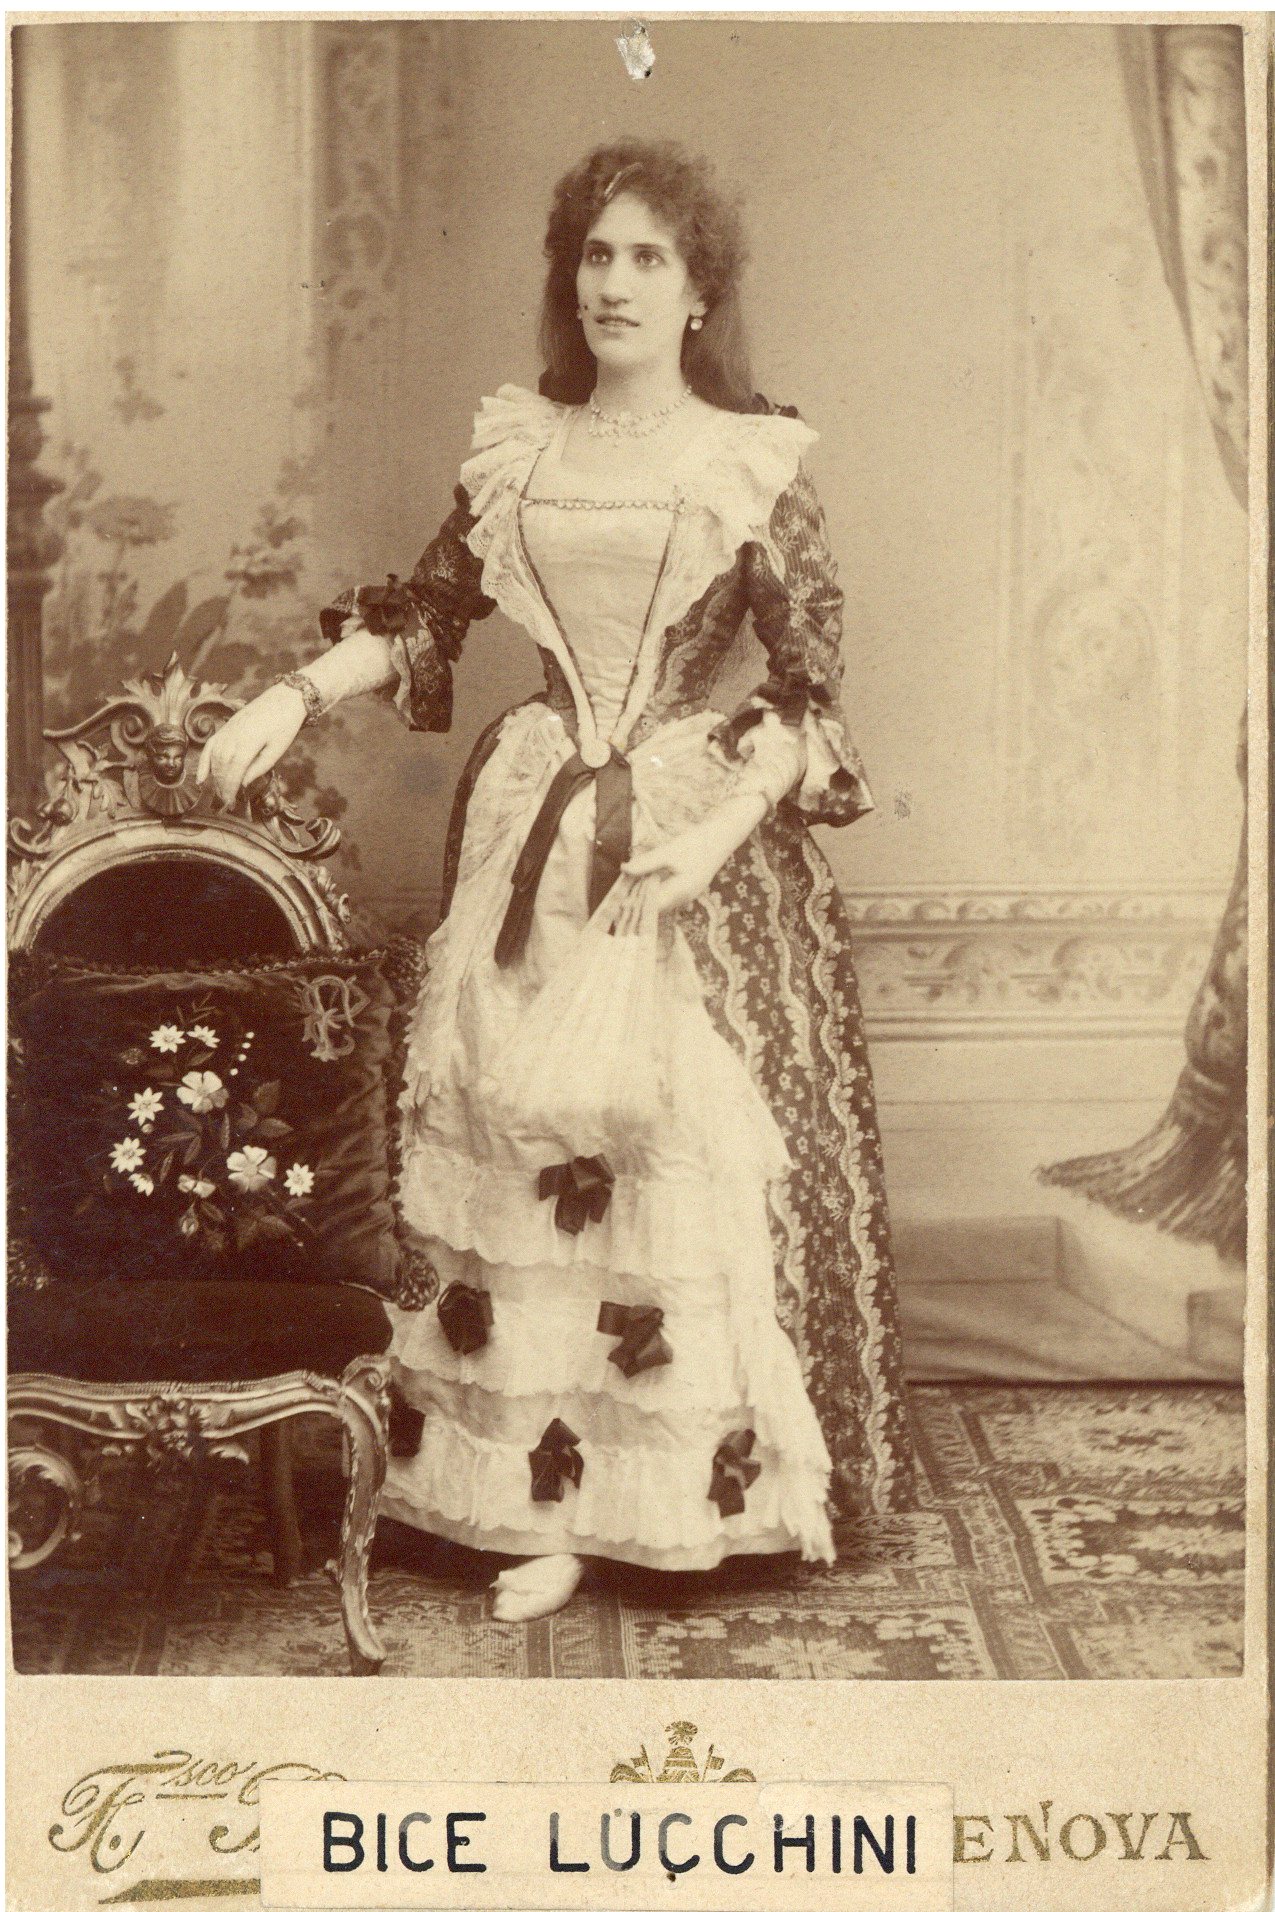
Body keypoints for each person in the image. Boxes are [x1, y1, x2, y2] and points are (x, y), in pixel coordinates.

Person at [201, 138, 915, 1624]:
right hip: (534, 820)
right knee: (512, 1131)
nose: (616, 283)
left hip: (683, 833)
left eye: (650, 257)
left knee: (649, 1146)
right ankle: (528, 1494)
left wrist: (712, 836)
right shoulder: (523, 448)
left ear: (701, 291)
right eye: (597, 254)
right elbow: (427, 615)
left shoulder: (749, 459)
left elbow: (809, 697)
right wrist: (292, 695)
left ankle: (644, 1499)